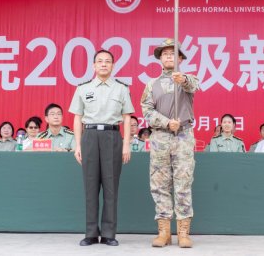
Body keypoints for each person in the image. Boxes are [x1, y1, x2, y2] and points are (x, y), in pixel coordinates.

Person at [69, 49, 134, 247]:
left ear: (113, 66)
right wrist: (77, 144)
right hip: (89, 136)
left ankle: (108, 234)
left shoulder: (121, 88)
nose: (104, 64)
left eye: (107, 61)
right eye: (100, 61)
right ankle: (90, 233)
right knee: (90, 186)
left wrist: (126, 144)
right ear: (93, 65)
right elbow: (77, 118)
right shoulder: (83, 88)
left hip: (112, 135)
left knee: (111, 187)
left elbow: (127, 118)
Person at [141, 38, 199, 248]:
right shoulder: (152, 84)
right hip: (160, 138)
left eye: (173, 54)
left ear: (180, 59)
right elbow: (147, 110)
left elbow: (194, 85)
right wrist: (166, 122)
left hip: (183, 137)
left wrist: (182, 79)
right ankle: (164, 231)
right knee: (160, 184)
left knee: (183, 182)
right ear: (160, 59)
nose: (168, 57)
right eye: (165, 54)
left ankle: (183, 231)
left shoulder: (187, 80)